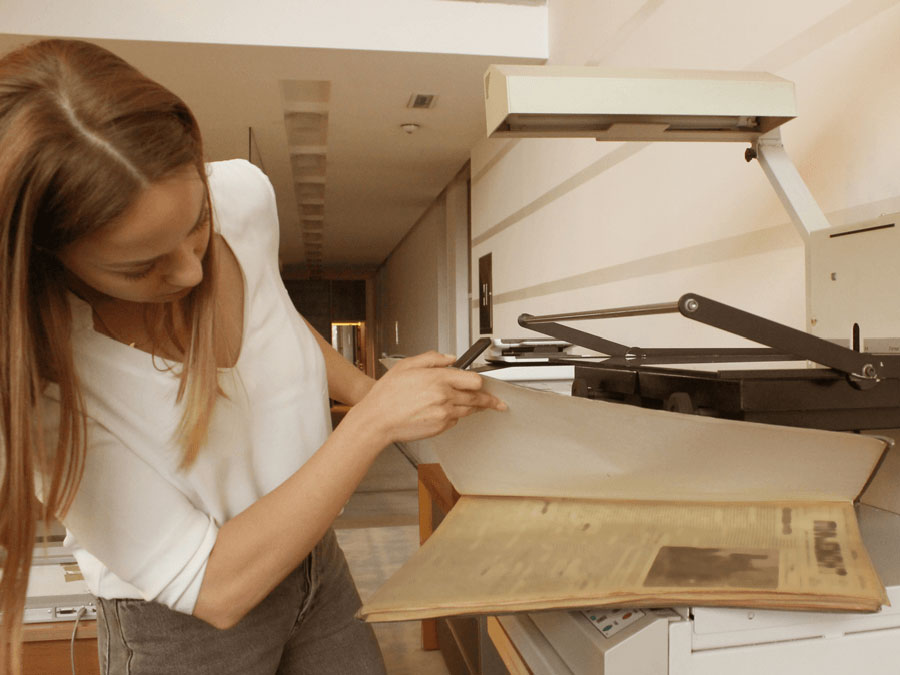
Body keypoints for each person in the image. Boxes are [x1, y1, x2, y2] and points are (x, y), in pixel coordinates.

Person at [0, 38, 505, 675]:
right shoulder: (40, 379)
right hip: (184, 628)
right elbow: (215, 590)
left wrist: (368, 389)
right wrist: (375, 425)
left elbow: (275, 320)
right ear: (50, 256)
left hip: (317, 563)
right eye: (141, 266)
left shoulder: (241, 195)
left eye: (196, 228)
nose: (188, 272)